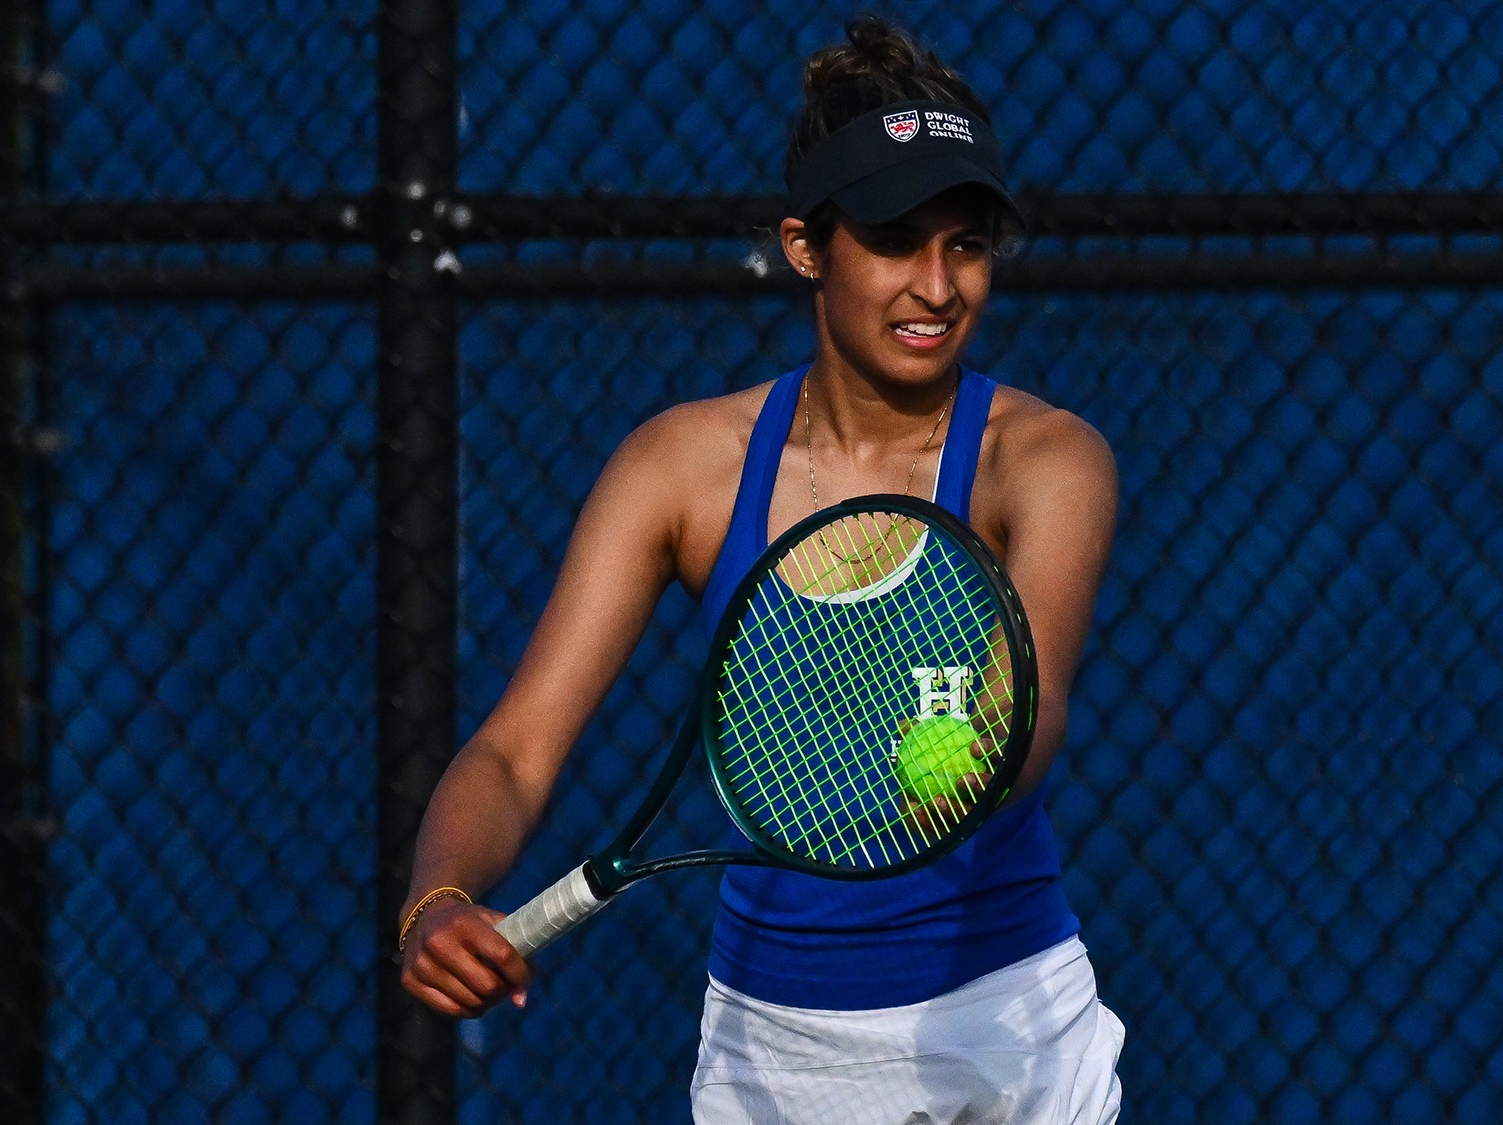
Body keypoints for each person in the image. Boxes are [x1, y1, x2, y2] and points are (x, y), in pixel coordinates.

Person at [396, 16, 1123, 1123]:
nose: (938, 286)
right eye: (894, 241)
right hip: (775, 1054)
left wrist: (981, 755)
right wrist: (436, 897)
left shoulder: (1049, 459)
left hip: (1010, 1031)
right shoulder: (679, 469)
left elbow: (1031, 706)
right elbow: (515, 748)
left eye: (968, 245)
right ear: (805, 247)